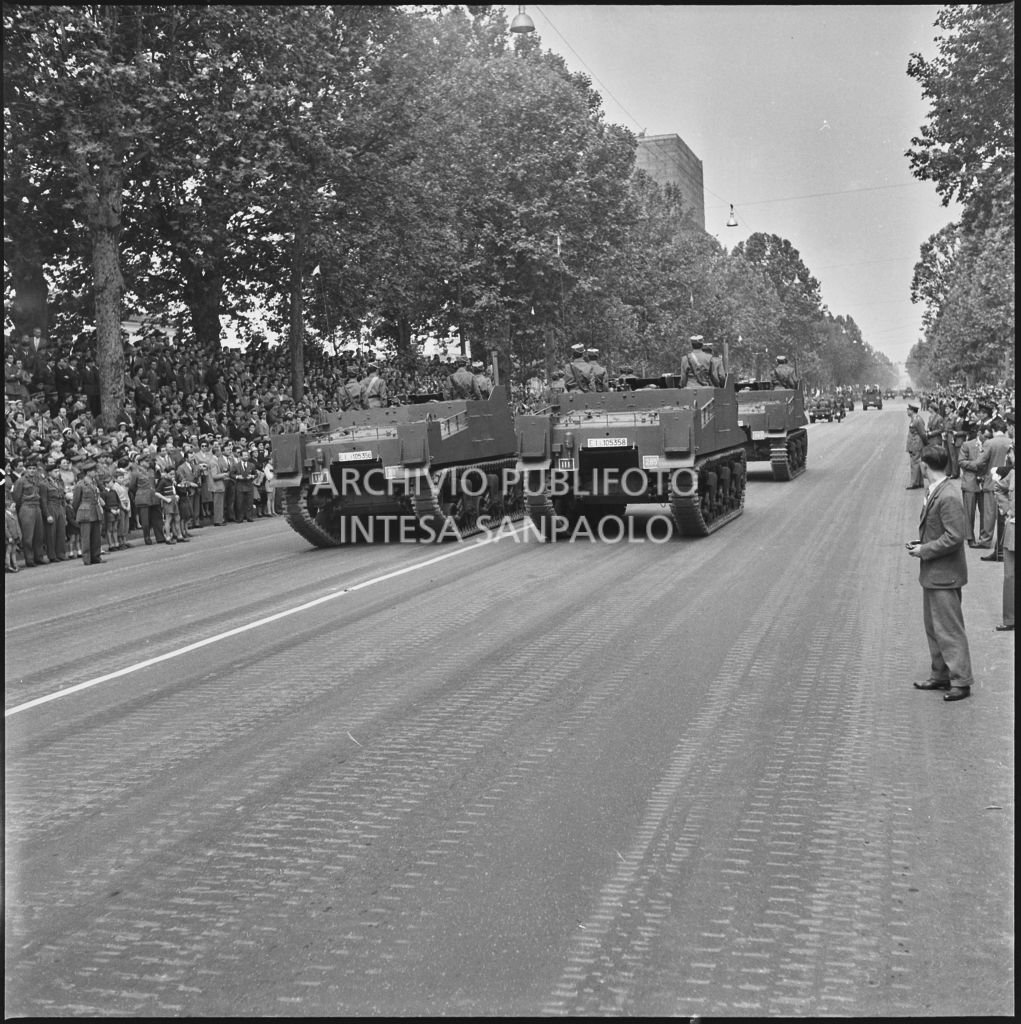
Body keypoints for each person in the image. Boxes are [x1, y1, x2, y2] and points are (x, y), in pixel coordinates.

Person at [908, 446, 975, 702]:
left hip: (944, 574)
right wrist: (921, 544)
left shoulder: (947, 495)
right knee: (934, 628)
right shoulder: (936, 490)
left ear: (924, 466)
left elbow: (955, 537)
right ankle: (940, 674)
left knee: (949, 629)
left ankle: (961, 680)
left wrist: (924, 549)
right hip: (935, 573)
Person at [974, 418, 1012, 560]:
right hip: (1008, 483)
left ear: (993, 430)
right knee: (1004, 517)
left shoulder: (989, 443)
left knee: (989, 515)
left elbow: (980, 462)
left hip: (992, 482)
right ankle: (1002, 547)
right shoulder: (1010, 442)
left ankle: (986, 540)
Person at [12, 455, 48, 566]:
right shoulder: (21, 481)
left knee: (39, 535)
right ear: (26, 469)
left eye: (34, 469)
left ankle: (39, 557)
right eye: (30, 469)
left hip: (37, 507)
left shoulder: (38, 480)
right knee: (28, 536)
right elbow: (17, 498)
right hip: (26, 507)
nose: (32, 470)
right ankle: (29, 559)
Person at [72, 460, 104, 565]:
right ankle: (87, 558)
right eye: (94, 471)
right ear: (88, 472)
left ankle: (96, 556)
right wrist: (78, 512)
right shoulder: (80, 485)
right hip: (85, 512)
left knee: (96, 537)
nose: (96, 472)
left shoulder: (94, 482)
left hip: (95, 510)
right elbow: (75, 502)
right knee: (86, 537)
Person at [994, 464, 1014, 631]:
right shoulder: (1013, 473)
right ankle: (1010, 619)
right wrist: (1008, 510)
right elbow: (999, 488)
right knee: (1010, 576)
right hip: (1013, 530)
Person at [957, 420, 983, 546]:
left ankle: (983, 537)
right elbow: (961, 461)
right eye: (985, 434)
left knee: (985, 512)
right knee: (969, 512)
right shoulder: (967, 445)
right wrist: (976, 466)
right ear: (979, 433)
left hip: (985, 483)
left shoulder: (989, 445)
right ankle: (970, 537)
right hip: (970, 482)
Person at [904, 401, 926, 489]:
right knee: (917, 462)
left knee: (914, 463)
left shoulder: (917, 420)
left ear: (912, 411)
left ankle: (914, 483)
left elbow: (923, 433)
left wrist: (926, 444)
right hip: (915, 444)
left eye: (908, 410)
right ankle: (919, 482)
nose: (907, 411)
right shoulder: (915, 419)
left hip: (916, 444)